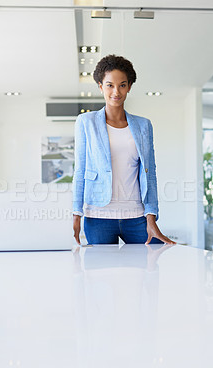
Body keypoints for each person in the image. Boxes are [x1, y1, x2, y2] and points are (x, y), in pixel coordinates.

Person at [72, 54, 176, 246]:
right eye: (110, 85)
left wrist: (151, 216)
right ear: (100, 86)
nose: (116, 91)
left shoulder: (144, 125)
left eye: (122, 85)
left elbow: (150, 173)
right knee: (102, 276)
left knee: (151, 268)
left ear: (129, 87)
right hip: (98, 216)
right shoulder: (86, 122)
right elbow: (80, 170)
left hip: (136, 215)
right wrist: (76, 214)